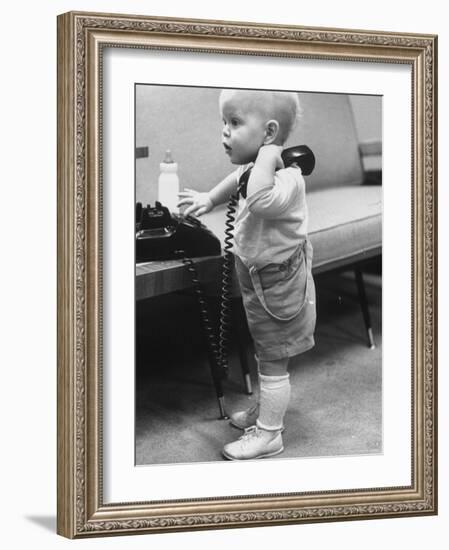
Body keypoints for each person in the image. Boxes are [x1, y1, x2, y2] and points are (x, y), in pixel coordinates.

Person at [178, 88, 316, 460]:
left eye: (235, 122)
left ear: (269, 134)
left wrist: (270, 158)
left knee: (273, 359)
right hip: (259, 281)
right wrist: (209, 198)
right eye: (224, 121)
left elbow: (258, 199)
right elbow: (238, 179)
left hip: (281, 286)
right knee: (264, 351)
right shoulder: (255, 169)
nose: (225, 131)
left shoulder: (288, 180)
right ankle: (266, 411)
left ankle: (270, 434)